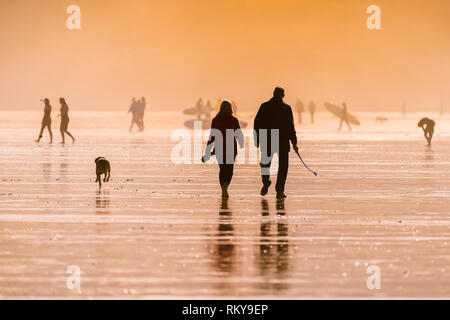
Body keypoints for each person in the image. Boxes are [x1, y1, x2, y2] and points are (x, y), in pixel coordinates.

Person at [254, 87, 298, 199]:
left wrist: (257, 139)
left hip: (267, 139)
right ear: (283, 96)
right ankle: (279, 191)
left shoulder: (264, 106)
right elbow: (290, 126)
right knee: (283, 166)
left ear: (273, 94)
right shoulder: (286, 108)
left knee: (265, 163)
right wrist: (294, 142)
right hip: (282, 140)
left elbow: (257, 123)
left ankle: (266, 181)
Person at [202, 100, 244, 198]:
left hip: (219, 149)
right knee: (229, 171)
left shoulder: (216, 120)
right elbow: (238, 134)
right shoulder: (233, 120)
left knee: (222, 170)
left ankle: (224, 190)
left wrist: (208, 151)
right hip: (231, 149)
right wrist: (241, 143)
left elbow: (212, 136)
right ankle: (225, 189)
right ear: (230, 108)